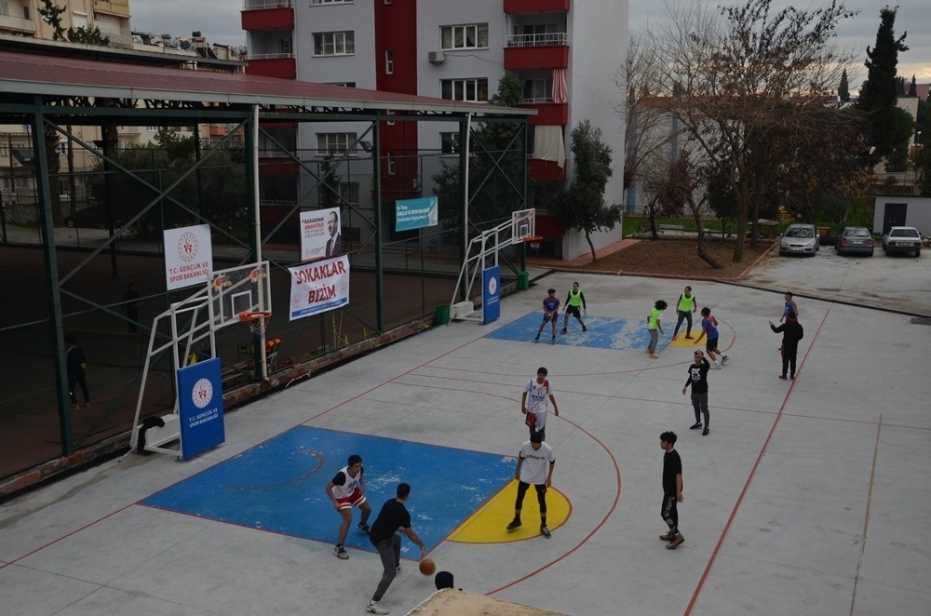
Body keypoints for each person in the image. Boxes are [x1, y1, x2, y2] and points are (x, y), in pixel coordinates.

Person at [367, 483, 425, 615]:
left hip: (374, 533)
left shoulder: (389, 503)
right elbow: (410, 533)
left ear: (397, 492)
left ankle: (396, 565)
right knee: (389, 573)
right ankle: (373, 603)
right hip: (381, 540)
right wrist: (421, 545)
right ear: (407, 495)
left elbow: (393, 524)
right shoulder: (403, 513)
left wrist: (402, 530)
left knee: (397, 539)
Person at [506, 432, 556, 538]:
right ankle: (517, 519)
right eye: (532, 444)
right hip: (526, 475)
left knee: (541, 500)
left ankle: (543, 525)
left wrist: (549, 478)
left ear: (540, 443)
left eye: (536, 445)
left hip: (540, 478)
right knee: (519, 497)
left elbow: (552, 462)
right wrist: (517, 471)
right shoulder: (525, 446)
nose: (534, 446)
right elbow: (521, 457)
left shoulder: (548, 450)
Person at [325, 454, 372, 560]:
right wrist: (334, 502)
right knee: (348, 519)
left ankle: (363, 525)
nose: (359, 468)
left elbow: (361, 478)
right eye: (356, 466)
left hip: (352, 491)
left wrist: (362, 486)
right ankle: (339, 547)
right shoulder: (341, 475)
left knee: (367, 509)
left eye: (360, 465)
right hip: (340, 496)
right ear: (350, 466)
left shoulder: (360, 469)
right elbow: (327, 487)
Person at [659, 431, 684, 550]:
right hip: (668, 490)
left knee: (665, 513)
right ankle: (672, 533)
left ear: (669, 443)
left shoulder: (674, 457)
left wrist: (678, 493)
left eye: (662, 441)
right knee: (672, 512)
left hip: (671, 492)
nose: (660, 443)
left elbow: (678, 476)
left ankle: (678, 536)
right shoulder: (667, 454)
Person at [521, 367, 559, 442]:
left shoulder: (547, 384)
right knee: (531, 428)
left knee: (541, 429)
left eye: (543, 376)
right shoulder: (531, 382)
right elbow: (524, 393)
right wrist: (522, 406)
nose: (541, 377)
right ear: (537, 374)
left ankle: (541, 443)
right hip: (531, 410)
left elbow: (551, 396)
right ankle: (532, 442)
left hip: (542, 411)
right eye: (540, 375)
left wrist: (555, 408)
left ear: (545, 376)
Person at [682, 350, 711, 436]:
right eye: (695, 356)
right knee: (696, 407)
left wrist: (703, 357)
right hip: (694, 392)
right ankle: (698, 423)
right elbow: (691, 377)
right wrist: (685, 386)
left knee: (704, 409)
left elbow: (708, 365)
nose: (696, 358)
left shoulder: (704, 367)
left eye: (698, 356)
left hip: (703, 392)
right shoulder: (692, 366)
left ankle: (706, 427)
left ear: (701, 357)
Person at [770, 312, 804, 380]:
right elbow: (801, 336)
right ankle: (792, 375)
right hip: (794, 346)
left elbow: (776, 330)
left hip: (786, 346)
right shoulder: (799, 326)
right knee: (793, 361)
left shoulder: (786, 325)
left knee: (785, 361)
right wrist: (795, 339)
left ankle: (784, 375)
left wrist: (772, 325)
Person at [64, 335, 90, 409]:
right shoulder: (79, 350)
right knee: (84, 387)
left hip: (72, 374)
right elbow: (83, 362)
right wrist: (83, 370)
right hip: (80, 373)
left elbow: (66, 363)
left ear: (68, 342)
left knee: (70, 390)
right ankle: (87, 402)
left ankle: (75, 403)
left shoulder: (68, 352)